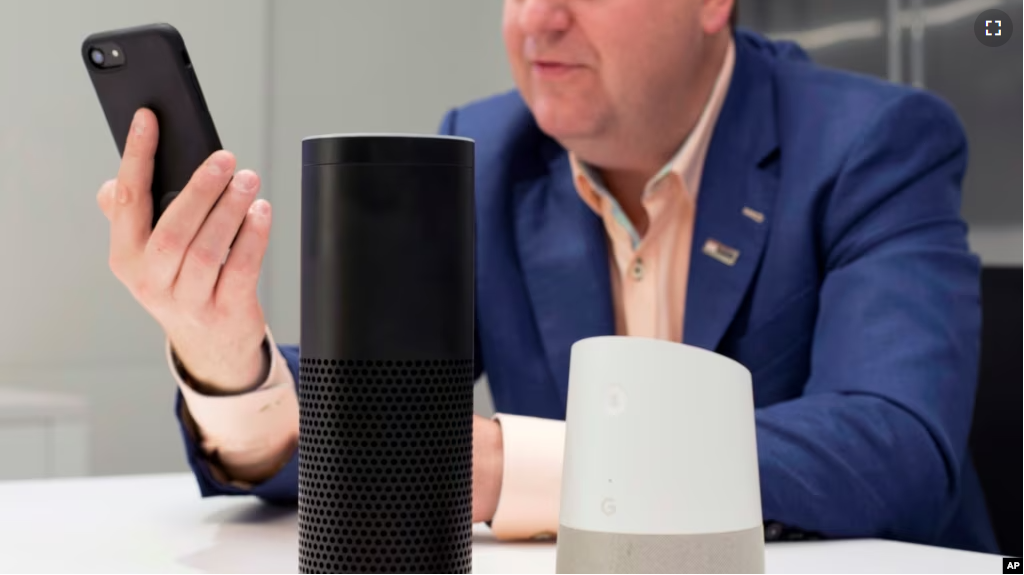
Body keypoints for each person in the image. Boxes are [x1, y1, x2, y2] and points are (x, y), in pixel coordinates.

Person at [95, 0, 996, 553]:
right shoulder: (489, 153)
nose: (537, 19)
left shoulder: (874, 143)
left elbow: (895, 441)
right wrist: (227, 360)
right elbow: (379, 406)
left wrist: (507, 464)